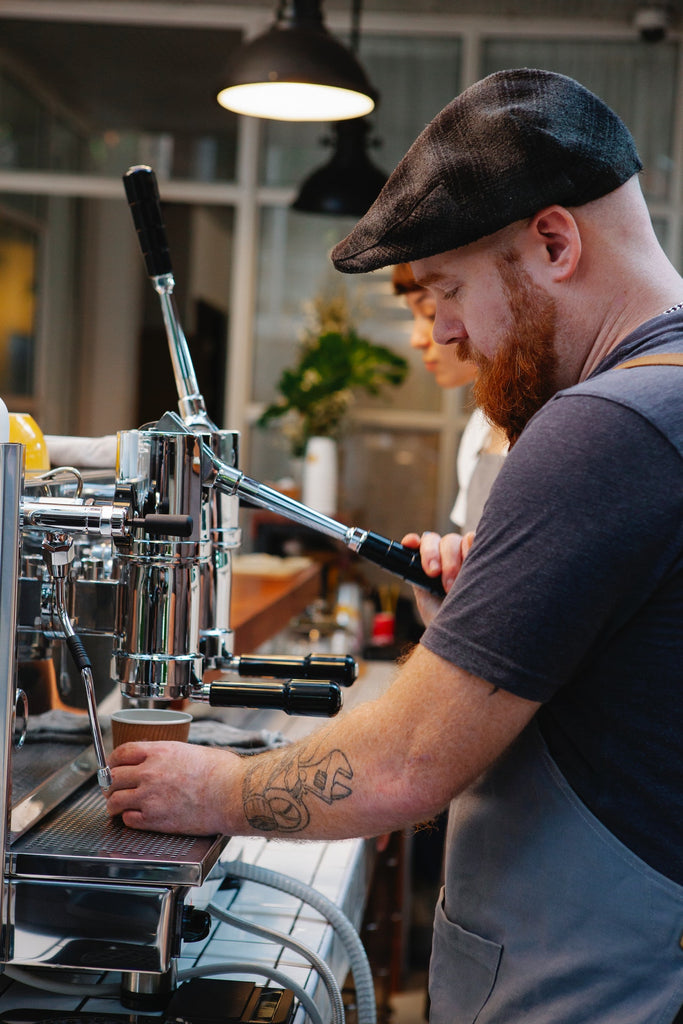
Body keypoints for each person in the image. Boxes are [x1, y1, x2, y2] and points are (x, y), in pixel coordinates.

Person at [105, 68, 683, 1023]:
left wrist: (215, 790)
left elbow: (406, 763)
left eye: (448, 288)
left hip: (594, 986)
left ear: (553, 240)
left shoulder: (605, 428)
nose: (443, 331)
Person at [392, 261, 508, 533]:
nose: (417, 339)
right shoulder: (479, 429)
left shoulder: (551, 422)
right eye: (415, 316)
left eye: (429, 313)